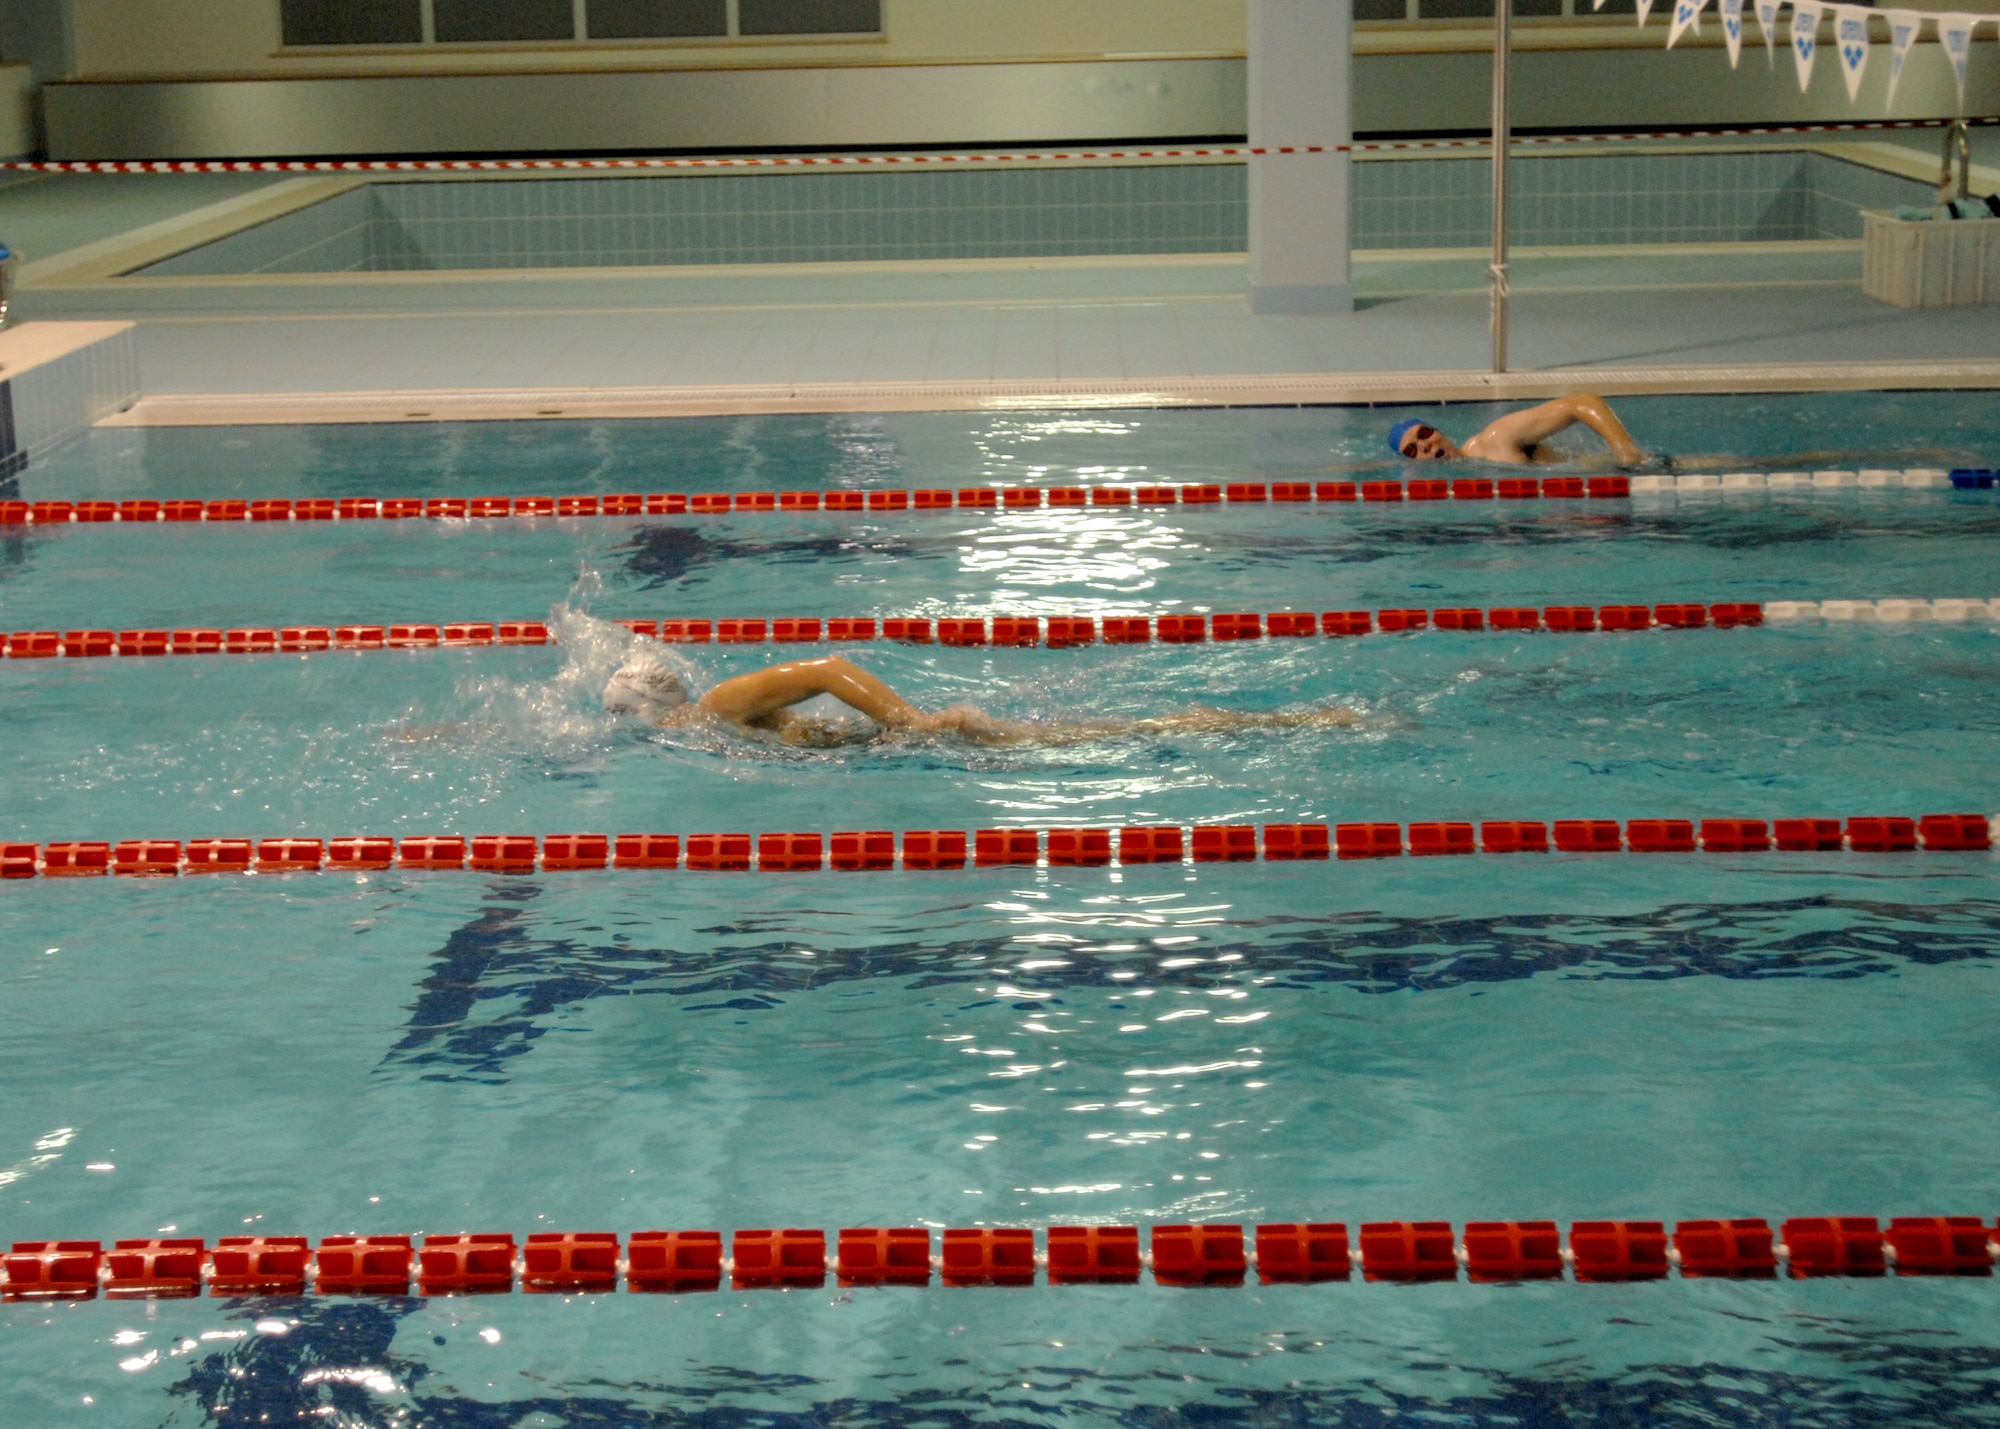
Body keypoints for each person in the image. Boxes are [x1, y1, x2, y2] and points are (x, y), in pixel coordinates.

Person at [603, 653, 1356, 747]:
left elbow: (835, 666)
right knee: (1103, 735)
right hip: (897, 755)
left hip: (926, 746)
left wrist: (917, 724)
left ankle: (1302, 720)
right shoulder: (702, 726)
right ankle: (1292, 721)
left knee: (1110, 735)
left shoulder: (715, 709)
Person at [1388, 393, 1643, 467]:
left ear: (1440, 432)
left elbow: (1582, 402)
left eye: (1423, 434)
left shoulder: (1494, 440)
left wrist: (1626, 452)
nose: (1425, 446)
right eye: (1412, 450)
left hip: (1629, 475)